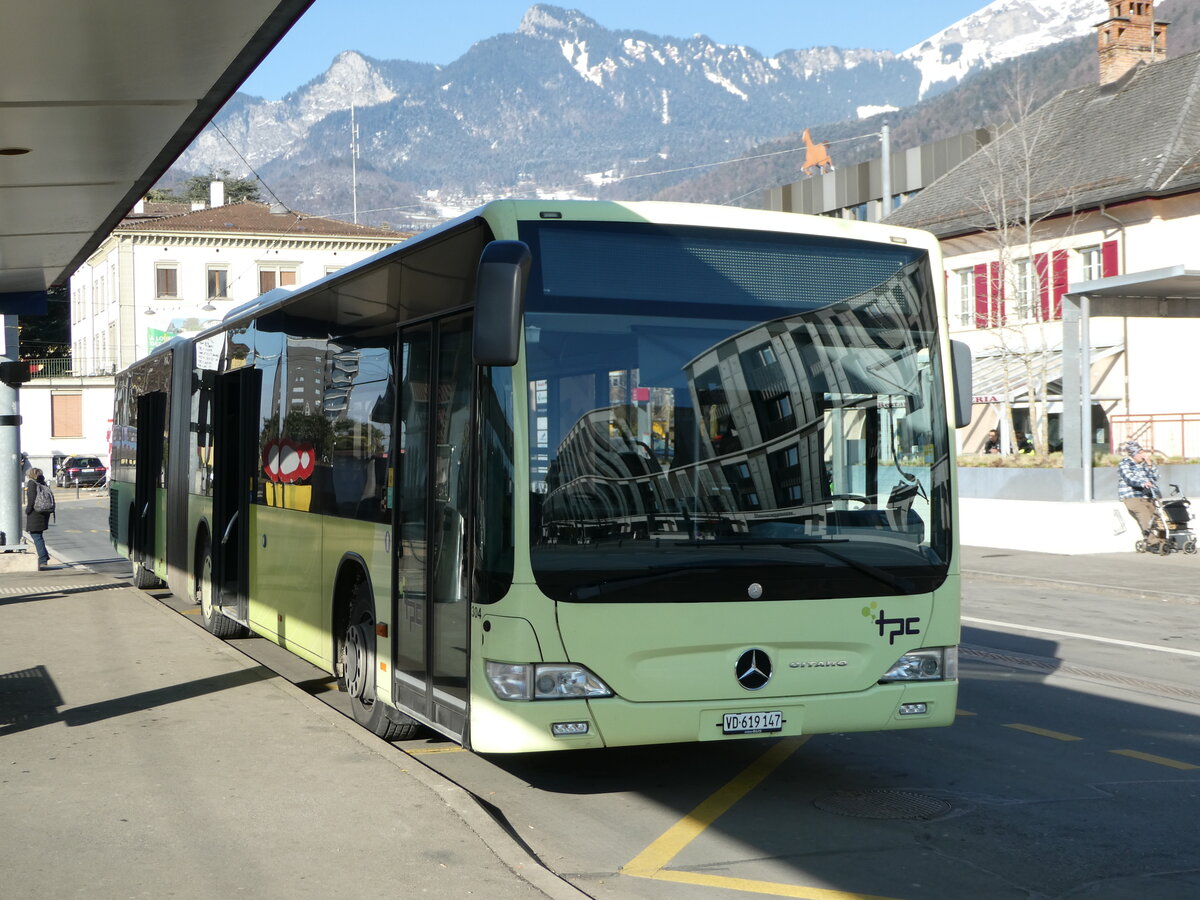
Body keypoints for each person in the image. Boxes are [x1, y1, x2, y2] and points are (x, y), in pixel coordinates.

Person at [1118, 440, 1164, 552]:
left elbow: (1156, 477)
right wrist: (1143, 483)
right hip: (1132, 496)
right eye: (1141, 453)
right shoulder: (1125, 463)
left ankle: (1163, 540)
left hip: (1149, 496)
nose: (1143, 455)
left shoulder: (1144, 464)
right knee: (1144, 515)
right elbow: (1129, 478)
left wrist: (1149, 464)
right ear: (1134, 454)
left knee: (1160, 516)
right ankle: (1152, 542)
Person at [24, 466, 54, 569]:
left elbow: (31, 500)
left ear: (30, 475)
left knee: (36, 536)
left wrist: (27, 511)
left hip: (35, 513)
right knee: (38, 535)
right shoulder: (42, 482)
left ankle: (43, 558)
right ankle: (44, 555)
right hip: (44, 512)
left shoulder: (32, 484)